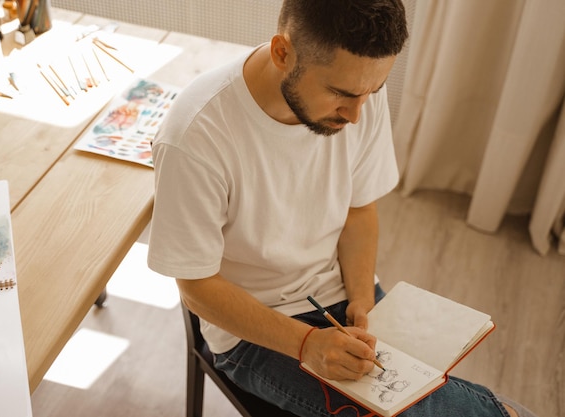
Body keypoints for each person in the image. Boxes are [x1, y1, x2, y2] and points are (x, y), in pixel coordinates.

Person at [148, 1, 536, 416]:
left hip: (342, 297)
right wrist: (306, 344)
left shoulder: (360, 91)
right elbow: (196, 287)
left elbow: (358, 211)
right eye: (341, 94)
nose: (355, 115)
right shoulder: (196, 136)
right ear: (283, 52)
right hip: (252, 334)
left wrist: (363, 299)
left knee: (423, 394)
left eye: (372, 91)